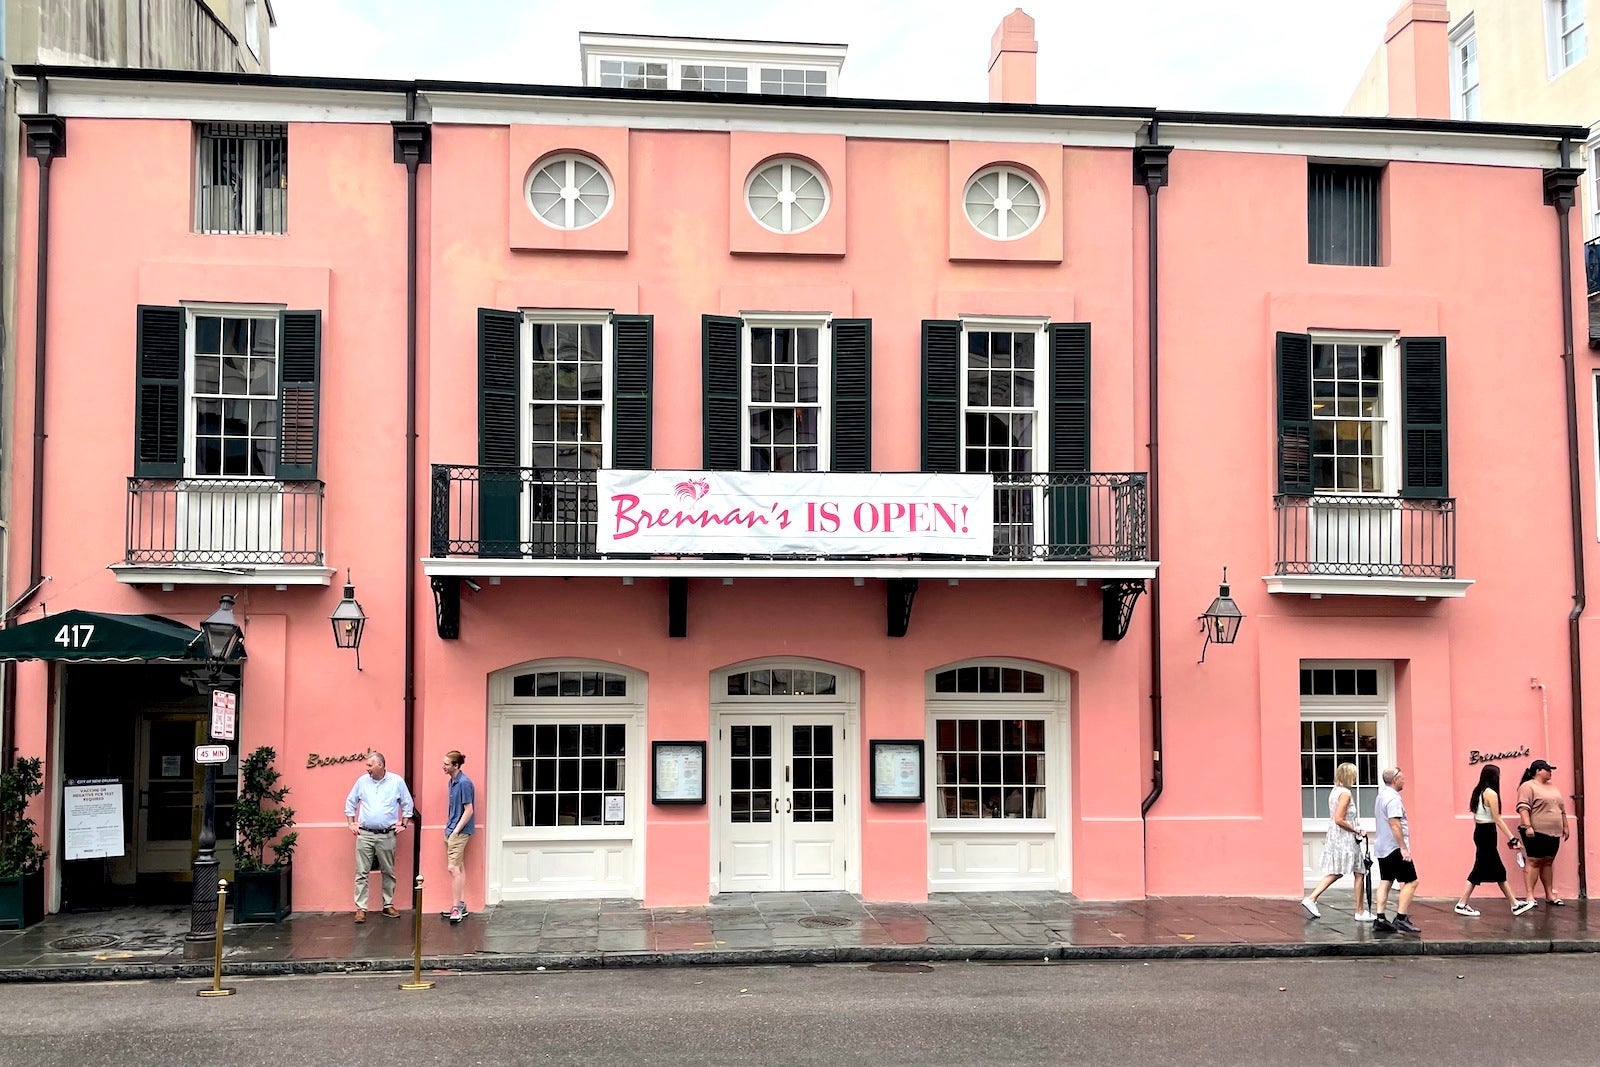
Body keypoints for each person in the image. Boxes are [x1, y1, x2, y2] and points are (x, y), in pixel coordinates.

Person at [1454, 764, 1535, 917]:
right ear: (1494, 777)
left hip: (1480, 831)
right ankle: (1463, 903)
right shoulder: (1491, 793)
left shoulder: (1478, 791)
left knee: (1489, 871)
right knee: (1488, 871)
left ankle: (1513, 904)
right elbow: (1497, 818)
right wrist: (1512, 838)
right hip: (1487, 833)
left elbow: (1478, 815)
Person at [343, 750, 414, 923]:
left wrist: (403, 824)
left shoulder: (396, 781)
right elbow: (350, 802)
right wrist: (351, 823)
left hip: (386, 834)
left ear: (380, 765)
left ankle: (388, 904)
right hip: (365, 833)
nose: (366, 768)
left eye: (369, 765)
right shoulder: (362, 781)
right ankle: (361, 908)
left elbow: (407, 803)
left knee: (388, 871)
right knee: (361, 872)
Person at [1301, 762, 1374, 922]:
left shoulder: (1335, 791)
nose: (1355, 778)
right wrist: (1356, 830)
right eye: (1354, 775)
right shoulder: (1345, 794)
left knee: (1356, 871)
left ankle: (1359, 910)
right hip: (1345, 838)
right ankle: (1313, 898)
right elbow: (1339, 819)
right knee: (1348, 871)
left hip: (1339, 836)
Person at [1371, 767, 1421, 934]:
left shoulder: (1381, 796)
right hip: (1394, 847)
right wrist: (1403, 848)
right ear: (1394, 780)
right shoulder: (1393, 800)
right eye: (1402, 778)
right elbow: (1395, 824)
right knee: (1412, 881)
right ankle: (1401, 918)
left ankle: (1380, 918)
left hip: (1382, 846)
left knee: (1386, 880)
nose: (1404, 781)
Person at [1516, 759, 1570, 907]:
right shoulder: (1528, 786)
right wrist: (1528, 826)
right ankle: (1530, 896)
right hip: (1536, 831)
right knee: (1534, 861)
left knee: (1548, 861)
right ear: (1538, 771)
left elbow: (1561, 808)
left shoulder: (1552, 787)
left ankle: (1550, 895)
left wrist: (1565, 826)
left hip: (1554, 831)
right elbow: (1523, 808)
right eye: (1547, 769)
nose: (1550, 772)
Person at [443, 749, 475, 923]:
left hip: (459, 831)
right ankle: (461, 904)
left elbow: (469, 809)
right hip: (451, 829)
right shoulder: (452, 782)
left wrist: (455, 831)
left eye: (447, 764)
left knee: (453, 868)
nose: (444, 766)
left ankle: (456, 908)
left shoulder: (464, 783)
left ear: (456, 765)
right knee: (459, 867)